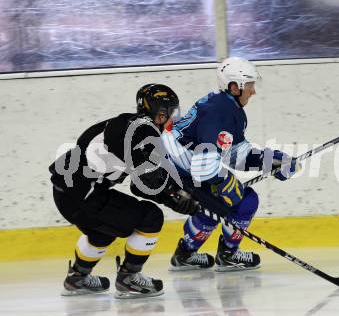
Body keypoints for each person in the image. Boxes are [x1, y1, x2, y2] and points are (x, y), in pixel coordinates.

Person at [49, 84, 198, 298]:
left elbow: (140, 185)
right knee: (151, 218)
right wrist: (175, 195)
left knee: (102, 231)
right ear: (159, 112)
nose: (173, 118)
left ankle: (77, 278)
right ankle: (129, 278)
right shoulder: (139, 128)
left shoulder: (138, 128)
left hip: (65, 193)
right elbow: (147, 179)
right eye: (170, 112)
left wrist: (173, 197)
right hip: (83, 194)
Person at [162, 57, 301, 272]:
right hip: (179, 170)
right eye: (250, 85)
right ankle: (227, 254)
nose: (253, 91)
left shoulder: (227, 107)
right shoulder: (220, 112)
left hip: (181, 166)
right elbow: (205, 166)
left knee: (218, 203)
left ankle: (186, 254)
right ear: (235, 87)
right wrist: (224, 181)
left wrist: (269, 161)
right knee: (243, 201)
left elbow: (235, 154)